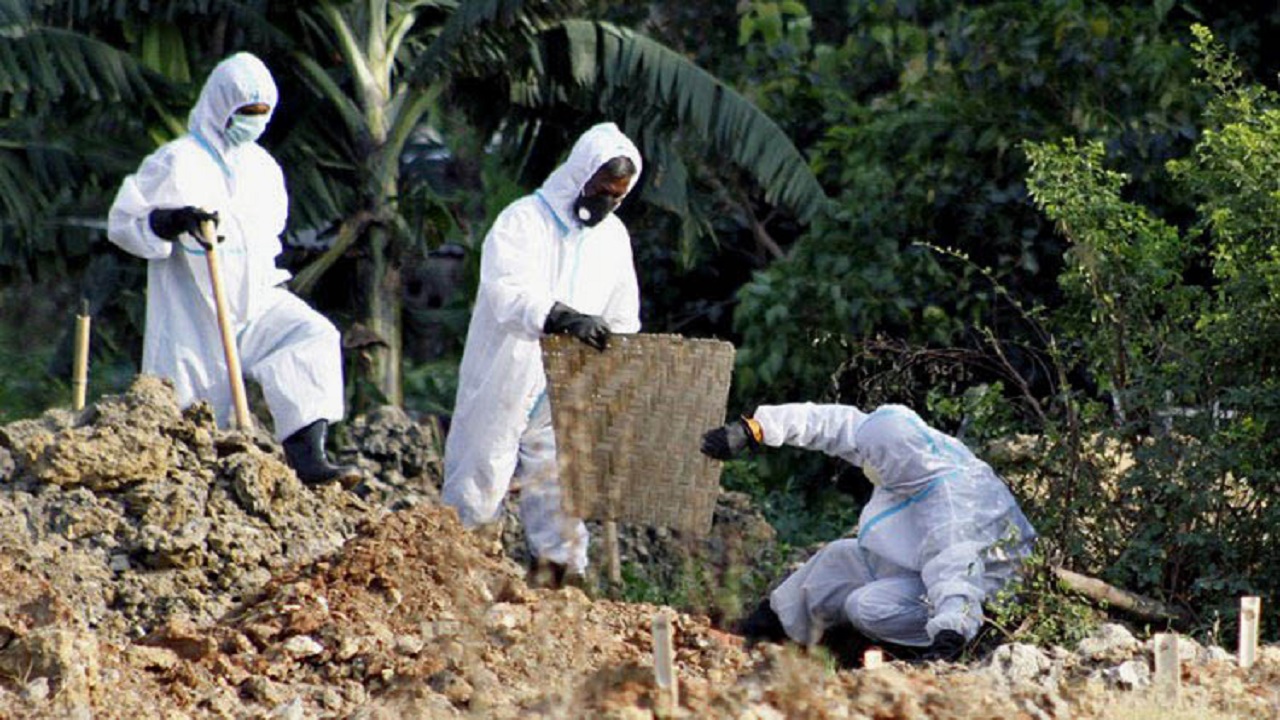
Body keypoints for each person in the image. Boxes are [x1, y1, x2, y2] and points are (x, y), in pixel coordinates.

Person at [107, 52, 357, 486]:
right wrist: (168, 221)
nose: (254, 122)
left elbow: (270, 233)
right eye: (246, 112)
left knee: (311, 336)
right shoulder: (177, 160)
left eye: (262, 114)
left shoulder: (262, 168)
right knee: (192, 414)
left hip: (256, 295)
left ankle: (307, 453)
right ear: (222, 107)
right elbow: (124, 222)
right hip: (195, 309)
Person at [443, 122, 643, 588]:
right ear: (580, 177)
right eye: (600, 191)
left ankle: (560, 577)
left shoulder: (613, 240)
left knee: (559, 480)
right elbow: (505, 292)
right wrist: (560, 316)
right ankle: (456, 569)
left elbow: (623, 315)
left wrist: (613, 355)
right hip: (507, 372)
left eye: (617, 195)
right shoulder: (523, 221)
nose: (607, 202)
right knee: (481, 470)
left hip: (566, 382)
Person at [702, 402, 1036, 662]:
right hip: (922, 564)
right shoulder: (910, 450)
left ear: (893, 462)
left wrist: (951, 634)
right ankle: (763, 631)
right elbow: (835, 424)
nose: (864, 460)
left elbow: (956, 573)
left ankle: (909, 653)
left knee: (866, 605)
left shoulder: (951, 506)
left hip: (984, 593)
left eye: (872, 457)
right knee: (838, 558)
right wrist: (755, 430)